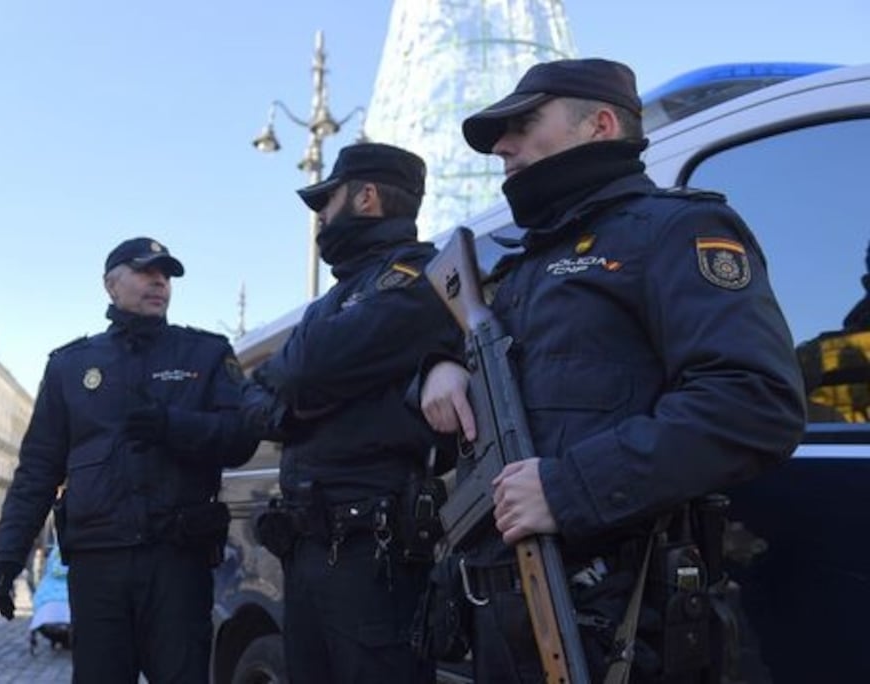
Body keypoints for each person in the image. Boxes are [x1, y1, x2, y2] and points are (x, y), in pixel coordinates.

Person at [417, 58, 807, 682]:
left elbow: (754, 400)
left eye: (521, 124)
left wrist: (569, 488)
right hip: (505, 613)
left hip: (618, 621)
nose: (501, 147)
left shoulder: (675, 230)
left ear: (599, 124)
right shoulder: (522, 269)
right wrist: (439, 365)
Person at [0, 237, 258, 684]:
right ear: (110, 285)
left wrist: (174, 426)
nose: (159, 282)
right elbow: (38, 469)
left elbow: (240, 440)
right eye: (145, 271)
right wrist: (7, 556)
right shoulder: (70, 366)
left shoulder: (206, 354)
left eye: (166, 275)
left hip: (178, 561)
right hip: (100, 566)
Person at [240, 142, 459, 684]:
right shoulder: (332, 302)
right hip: (310, 547)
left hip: (373, 556)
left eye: (326, 200)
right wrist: (299, 400)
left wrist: (296, 389)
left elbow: (299, 371)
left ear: (365, 197)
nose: (319, 216)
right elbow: (260, 395)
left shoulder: (419, 277)